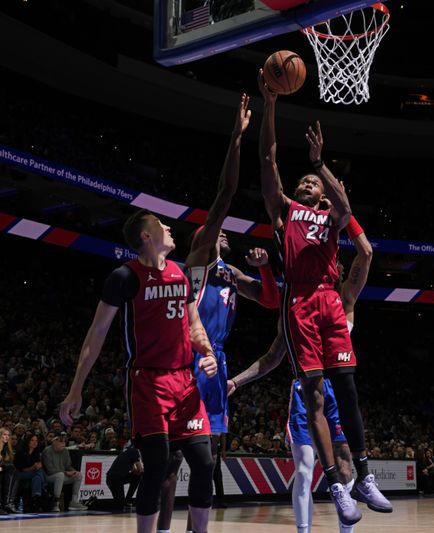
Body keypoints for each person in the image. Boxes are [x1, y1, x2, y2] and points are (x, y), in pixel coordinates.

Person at [257, 69, 389, 527]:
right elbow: (269, 160)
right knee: (312, 392)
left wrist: (319, 164)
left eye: (312, 184)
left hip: (330, 300)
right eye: (306, 183)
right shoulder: (284, 212)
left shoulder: (332, 214)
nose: (309, 186)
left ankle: (365, 475)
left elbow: (348, 208)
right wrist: (271, 106)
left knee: (347, 389)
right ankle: (334, 482)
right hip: (299, 302)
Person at [157, 94, 281, 533]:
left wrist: (265, 272)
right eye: (216, 232)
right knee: (171, 460)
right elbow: (225, 195)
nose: (224, 233)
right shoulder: (199, 263)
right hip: (189, 357)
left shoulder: (230, 274)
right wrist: (237, 138)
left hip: (217, 362)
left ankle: (197, 528)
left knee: (206, 460)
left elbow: (270, 302)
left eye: (224, 233)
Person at [59, 208, 218, 533]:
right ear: (146, 236)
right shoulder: (124, 277)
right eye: (161, 224)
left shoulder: (181, 272)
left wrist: (208, 351)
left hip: (185, 381)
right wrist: (77, 387)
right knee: (157, 465)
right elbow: (97, 333)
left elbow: (194, 324)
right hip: (149, 382)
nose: (169, 227)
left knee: (204, 464)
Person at [229, 213, 373, 533]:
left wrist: (344, 213)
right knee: (306, 470)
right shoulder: (293, 308)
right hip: (306, 392)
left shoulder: (346, 298)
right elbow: (270, 359)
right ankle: (303, 531)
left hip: (336, 393)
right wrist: (236, 382)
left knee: (347, 468)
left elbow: (366, 253)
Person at [42, 433, 87, 512]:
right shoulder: (47, 451)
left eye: (64, 442)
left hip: (62, 475)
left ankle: (74, 502)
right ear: (54, 442)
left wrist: (73, 471)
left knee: (78, 475)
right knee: (60, 475)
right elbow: (50, 470)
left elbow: (68, 466)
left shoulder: (65, 451)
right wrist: (66, 473)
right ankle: (55, 503)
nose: (63, 444)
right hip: (49, 477)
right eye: (61, 442)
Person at [13, 434, 47, 512]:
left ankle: (36, 496)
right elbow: (20, 469)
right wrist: (33, 467)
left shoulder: (36, 452)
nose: (35, 442)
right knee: (38, 472)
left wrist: (39, 465)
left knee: (37, 476)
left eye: (36, 440)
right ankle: (43, 486)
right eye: (32, 440)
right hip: (20, 474)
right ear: (28, 441)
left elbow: (37, 466)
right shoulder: (21, 452)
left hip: (33, 474)